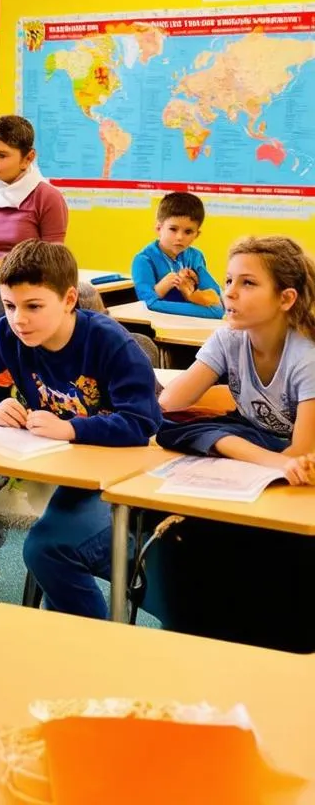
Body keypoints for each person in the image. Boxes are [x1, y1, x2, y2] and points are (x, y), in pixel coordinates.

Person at [0, 240, 161, 619]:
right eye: (10, 306)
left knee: (48, 550)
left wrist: (71, 429)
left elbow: (142, 423)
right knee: (49, 553)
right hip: (74, 476)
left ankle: (102, 636)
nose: (18, 319)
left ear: (69, 299)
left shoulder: (108, 342)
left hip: (130, 478)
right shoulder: (10, 338)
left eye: (33, 306)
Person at [150, 236, 315, 651]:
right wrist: (231, 439)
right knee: (185, 540)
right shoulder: (229, 338)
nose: (229, 293)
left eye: (247, 284)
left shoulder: (307, 357)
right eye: (227, 281)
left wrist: (225, 440)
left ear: (286, 298)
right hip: (265, 462)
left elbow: (299, 456)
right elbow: (169, 404)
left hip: (302, 479)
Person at [0, 115, 68, 332]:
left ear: (28, 158)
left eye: (1, 155)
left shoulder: (47, 197)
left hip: (32, 293)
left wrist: (6, 270)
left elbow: (54, 266)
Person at [131, 192, 224, 319]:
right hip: (159, 322)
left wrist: (193, 288)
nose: (180, 237)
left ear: (196, 234)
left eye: (188, 232)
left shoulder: (195, 257)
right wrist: (160, 288)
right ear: (159, 228)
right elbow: (146, 303)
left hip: (191, 322)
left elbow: (215, 296)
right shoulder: (144, 260)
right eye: (173, 229)